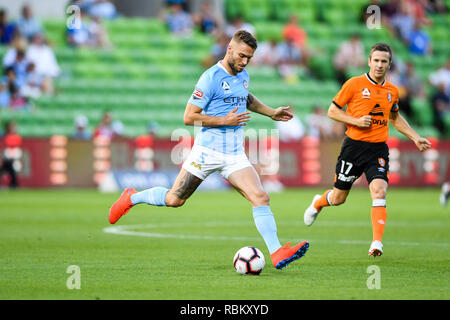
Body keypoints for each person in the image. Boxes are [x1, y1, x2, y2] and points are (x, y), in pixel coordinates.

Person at [109, 30, 310, 270]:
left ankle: (277, 253)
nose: (245, 62)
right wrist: (224, 121)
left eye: (249, 58)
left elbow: (245, 97)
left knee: (261, 197)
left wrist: (270, 112)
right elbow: (188, 116)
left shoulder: (242, 74)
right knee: (175, 200)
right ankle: (132, 197)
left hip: (234, 155)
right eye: (242, 56)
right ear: (229, 49)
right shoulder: (210, 78)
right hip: (206, 153)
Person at [303, 43, 431, 257]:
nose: (379, 65)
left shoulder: (392, 91)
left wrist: (415, 137)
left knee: (379, 191)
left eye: (384, 61)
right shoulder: (354, 84)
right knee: (338, 198)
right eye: (376, 60)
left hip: (378, 150)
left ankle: (376, 243)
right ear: (369, 61)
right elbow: (332, 111)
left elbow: (395, 117)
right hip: (353, 148)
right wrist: (355, 121)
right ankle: (318, 202)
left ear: (389, 64)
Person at [0, 121, 22, 188]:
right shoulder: (3, 137)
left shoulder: (16, 137)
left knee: (12, 166)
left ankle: (13, 184)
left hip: (8, 161)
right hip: (3, 160)